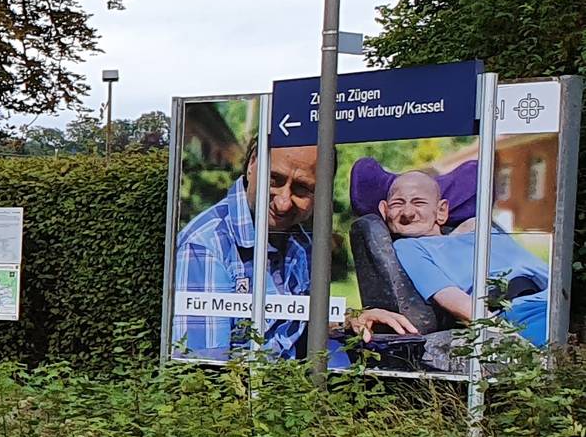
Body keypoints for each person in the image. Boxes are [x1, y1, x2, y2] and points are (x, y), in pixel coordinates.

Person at [173, 143, 412, 360]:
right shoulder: (206, 246)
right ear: (252, 163)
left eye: (302, 189)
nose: (283, 203)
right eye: (274, 180)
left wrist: (349, 320)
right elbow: (202, 369)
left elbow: (297, 319)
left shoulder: (299, 241)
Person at [377, 169, 551, 346]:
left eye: (419, 202)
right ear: (384, 210)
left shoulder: (477, 228)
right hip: (522, 312)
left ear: (441, 211)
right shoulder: (409, 247)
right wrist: (509, 338)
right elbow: (450, 298)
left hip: (554, 301)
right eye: (397, 203)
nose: (407, 212)